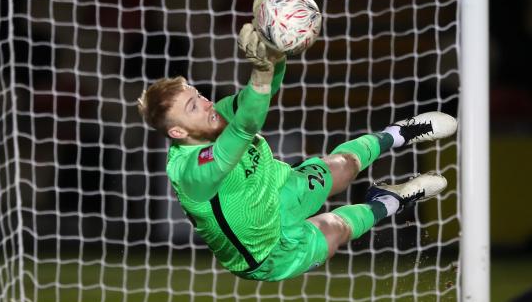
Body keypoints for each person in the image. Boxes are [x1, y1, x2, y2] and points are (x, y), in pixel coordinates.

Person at [137, 20, 457, 282]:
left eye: (198, 95)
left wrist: (276, 54)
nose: (206, 103)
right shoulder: (192, 174)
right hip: (267, 252)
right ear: (177, 132)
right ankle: (392, 200)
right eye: (193, 106)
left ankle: (398, 133)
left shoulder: (214, 114)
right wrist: (261, 73)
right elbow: (245, 126)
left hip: (279, 188)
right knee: (336, 230)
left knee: (343, 165)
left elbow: (260, 94)